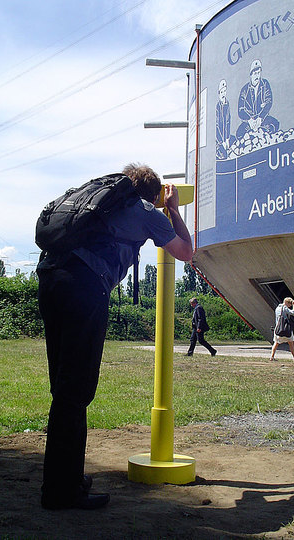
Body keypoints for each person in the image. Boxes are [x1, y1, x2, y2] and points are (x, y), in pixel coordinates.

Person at [37, 164, 193, 511]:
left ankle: (68, 478)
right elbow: (185, 251)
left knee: (63, 387)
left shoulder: (95, 201)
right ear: (151, 193)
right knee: (74, 393)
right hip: (85, 287)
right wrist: (172, 209)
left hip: (50, 279)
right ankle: (61, 492)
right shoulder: (144, 211)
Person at [236, 59, 279, 140]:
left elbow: (269, 102)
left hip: (263, 119)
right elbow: (240, 110)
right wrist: (250, 120)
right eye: (255, 73)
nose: (257, 76)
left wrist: (260, 117)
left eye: (259, 73)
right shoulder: (245, 90)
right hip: (249, 122)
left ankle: (259, 135)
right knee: (239, 134)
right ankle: (253, 136)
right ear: (251, 75)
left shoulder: (265, 84)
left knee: (274, 124)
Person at [270, 297, 294, 363]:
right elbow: (293, 313)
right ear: (287, 303)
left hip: (277, 328)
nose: (290, 305)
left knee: (276, 343)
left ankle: (272, 357)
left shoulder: (277, 308)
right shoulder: (284, 308)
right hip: (285, 328)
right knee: (291, 342)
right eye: (290, 304)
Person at [215, 79, 235, 160]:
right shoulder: (217, 106)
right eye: (221, 92)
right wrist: (221, 141)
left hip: (225, 137)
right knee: (223, 155)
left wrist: (227, 139)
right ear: (219, 93)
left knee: (234, 140)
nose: (223, 94)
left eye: (224, 91)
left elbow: (228, 122)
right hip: (218, 139)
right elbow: (216, 126)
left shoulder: (227, 104)